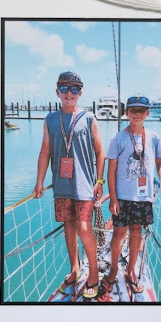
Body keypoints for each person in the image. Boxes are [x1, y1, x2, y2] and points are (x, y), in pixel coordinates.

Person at [33, 71, 105, 301]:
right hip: (61, 186)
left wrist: (100, 181)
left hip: (84, 186)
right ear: (57, 92)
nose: (69, 93)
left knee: (84, 227)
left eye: (74, 89)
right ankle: (75, 270)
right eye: (64, 89)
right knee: (69, 227)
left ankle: (93, 274)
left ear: (80, 93)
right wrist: (39, 181)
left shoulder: (89, 118)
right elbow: (45, 152)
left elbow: (100, 152)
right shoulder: (50, 120)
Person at [100, 95, 161, 298]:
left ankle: (131, 270)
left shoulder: (154, 137)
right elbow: (111, 171)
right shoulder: (119, 138)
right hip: (122, 197)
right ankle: (113, 269)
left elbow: (160, 163)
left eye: (141, 110)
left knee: (137, 232)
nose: (137, 114)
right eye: (133, 110)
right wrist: (113, 198)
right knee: (118, 234)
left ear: (147, 113)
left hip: (143, 197)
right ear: (126, 113)